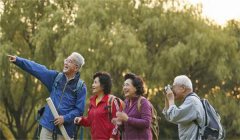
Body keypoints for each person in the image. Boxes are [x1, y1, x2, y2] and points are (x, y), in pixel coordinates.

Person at [8, 52, 87, 140]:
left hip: (65, 132)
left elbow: (79, 110)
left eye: (70, 61)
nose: (65, 62)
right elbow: (38, 69)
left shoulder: (81, 87)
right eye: (66, 60)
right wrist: (18, 61)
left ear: (76, 68)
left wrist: (64, 118)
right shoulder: (56, 77)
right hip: (47, 128)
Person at [74, 72, 121, 140]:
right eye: (93, 82)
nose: (93, 85)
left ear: (103, 85)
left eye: (95, 82)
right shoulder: (92, 101)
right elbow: (90, 121)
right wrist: (81, 120)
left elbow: (117, 122)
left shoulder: (112, 100)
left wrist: (112, 137)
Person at [162, 75, 205, 140]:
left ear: (183, 88)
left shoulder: (192, 101)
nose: (172, 90)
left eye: (174, 87)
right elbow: (169, 116)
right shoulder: (190, 100)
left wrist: (171, 99)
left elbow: (174, 116)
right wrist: (167, 98)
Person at [112, 73, 152, 140]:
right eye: (124, 85)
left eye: (127, 85)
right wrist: (120, 124)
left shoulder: (143, 102)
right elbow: (126, 128)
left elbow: (146, 123)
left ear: (135, 88)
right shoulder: (125, 102)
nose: (124, 87)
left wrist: (127, 119)